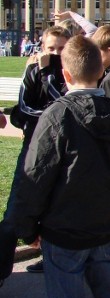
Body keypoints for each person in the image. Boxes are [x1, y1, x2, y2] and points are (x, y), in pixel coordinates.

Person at [11, 35, 110, 298]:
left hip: (72, 229)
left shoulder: (60, 114)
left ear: (66, 75)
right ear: (100, 71)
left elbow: (34, 177)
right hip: (97, 225)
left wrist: (26, 227)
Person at [1, 25, 71, 275]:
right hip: (33, 147)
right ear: (42, 47)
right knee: (16, 209)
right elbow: (23, 109)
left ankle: (50, 256)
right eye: (50, 48)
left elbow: (65, 105)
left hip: (62, 150)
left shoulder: (70, 72)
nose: (54, 53)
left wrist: (45, 73)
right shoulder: (32, 69)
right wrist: (39, 72)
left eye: (61, 48)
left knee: (57, 207)